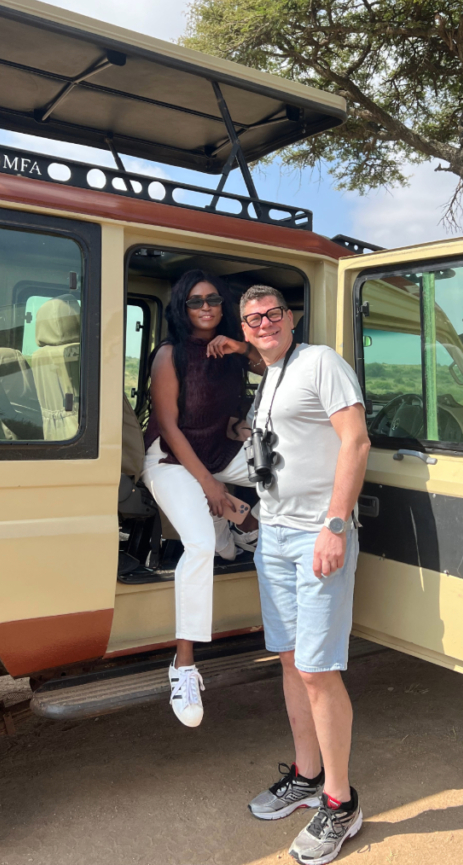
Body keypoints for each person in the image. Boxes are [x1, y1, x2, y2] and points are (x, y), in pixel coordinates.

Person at [240, 284, 370, 865]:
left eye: (272, 314)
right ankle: (307, 776)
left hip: (317, 534)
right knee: (291, 659)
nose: (263, 323)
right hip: (274, 534)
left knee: (318, 669)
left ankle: (341, 803)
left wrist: (335, 526)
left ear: (291, 318)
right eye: (252, 318)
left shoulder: (320, 362)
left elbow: (356, 441)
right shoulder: (268, 377)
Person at [142, 269, 263, 728]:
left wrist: (245, 347)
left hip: (218, 449)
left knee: (288, 469)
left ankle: (248, 526)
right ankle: (185, 666)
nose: (206, 307)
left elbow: (283, 368)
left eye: (213, 299)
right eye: (196, 302)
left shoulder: (232, 351)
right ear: (182, 308)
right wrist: (212, 487)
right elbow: (170, 427)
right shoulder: (170, 355)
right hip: (172, 458)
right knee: (197, 545)